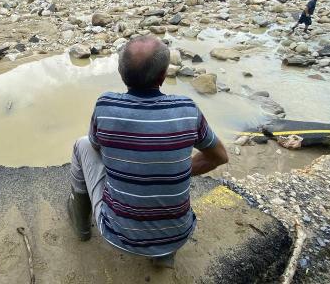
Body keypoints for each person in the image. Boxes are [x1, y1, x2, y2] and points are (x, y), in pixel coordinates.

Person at [67, 36, 229, 269]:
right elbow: (220, 157)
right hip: (178, 235)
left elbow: (95, 146)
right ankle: (164, 254)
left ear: (121, 74)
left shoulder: (105, 106)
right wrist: (175, 170)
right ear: (163, 77)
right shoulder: (186, 109)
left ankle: (82, 227)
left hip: (116, 235)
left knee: (81, 144)